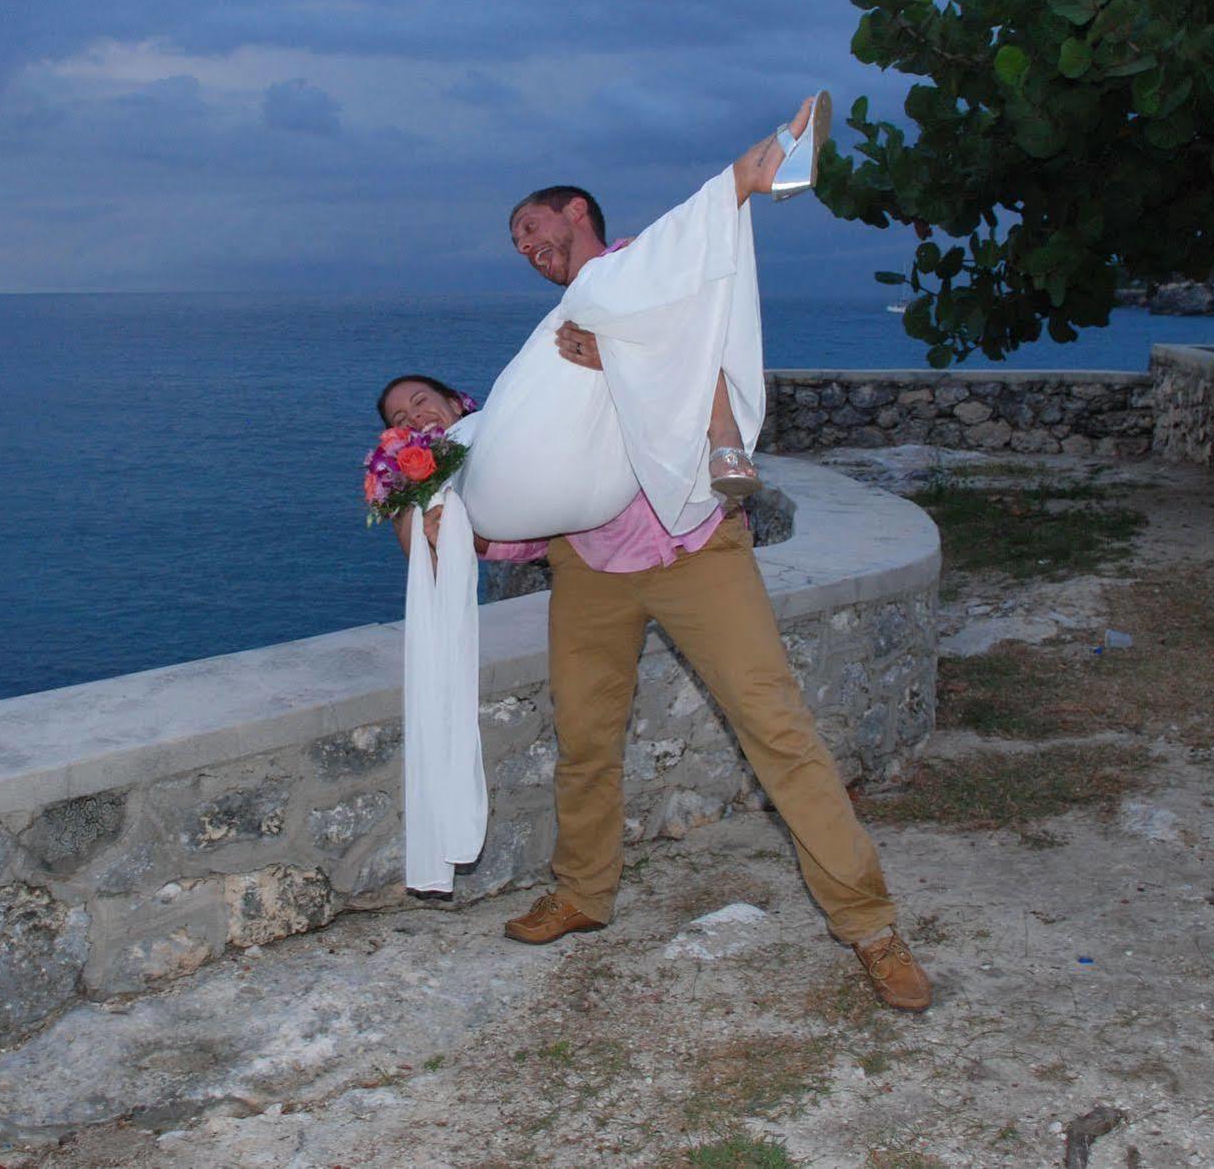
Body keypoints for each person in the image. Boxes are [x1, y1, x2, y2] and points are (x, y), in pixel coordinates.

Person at [382, 97, 931, 1012]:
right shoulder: (557, 338)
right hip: (588, 565)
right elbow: (538, 471)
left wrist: (624, 363)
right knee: (585, 743)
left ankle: (871, 929)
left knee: (779, 732)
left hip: (693, 547)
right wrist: (439, 516)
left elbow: (695, 327)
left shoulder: (637, 284)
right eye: (516, 242)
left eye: (533, 226)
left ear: (576, 213)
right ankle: (582, 893)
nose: (526, 245)